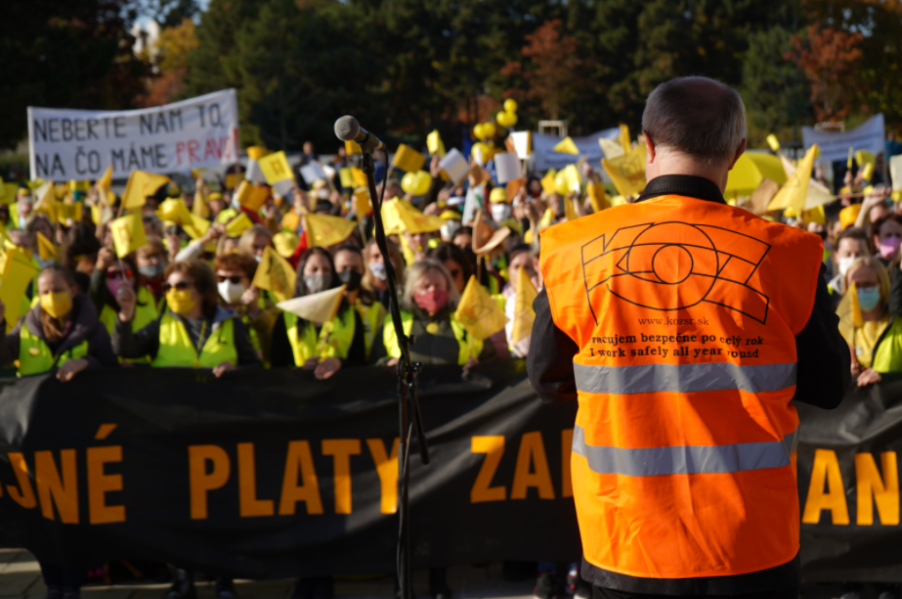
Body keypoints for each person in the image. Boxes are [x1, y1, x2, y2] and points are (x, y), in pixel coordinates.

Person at [528, 76, 849, 599]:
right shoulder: (789, 253)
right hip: (750, 545)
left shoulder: (571, 250)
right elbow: (830, 385)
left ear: (646, 145)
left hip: (626, 541)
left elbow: (547, 379)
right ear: (738, 152)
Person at [113, 259, 260, 376]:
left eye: (181, 285)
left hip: (220, 407)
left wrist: (236, 370)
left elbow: (254, 367)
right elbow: (125, 349)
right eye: (168, 287)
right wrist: (126, 313)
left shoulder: (232, 323)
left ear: (202, 289)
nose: (173, 292)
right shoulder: (161, 324)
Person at [370, 258, 495, 368]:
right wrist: (388, 364)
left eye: (438, 285)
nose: (433, 291)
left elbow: (491, 358)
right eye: (426, 286)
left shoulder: (467, 317)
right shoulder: (396, 320)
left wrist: (480, 367)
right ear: (413, 290)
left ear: (447, 287)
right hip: (410, 392)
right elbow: (374, 361)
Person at [0, 264, 118, 377]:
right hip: (34, 397)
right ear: (39, 295)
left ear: (73, 291)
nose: (51, 296)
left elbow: (112, 369)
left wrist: (87, 363)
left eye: (58, 291)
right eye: (45, 292)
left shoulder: (95, 328)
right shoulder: (25, 326)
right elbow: (2, 359)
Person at [841, 257, 902, 385]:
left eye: (868, 284)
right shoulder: (840, 326)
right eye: (855, 285)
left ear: (882, 285)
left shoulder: (898, 323)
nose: (861, 290)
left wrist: (887, 378)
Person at [90, 248, 160, 358]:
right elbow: (94, 291)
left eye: (127, 273)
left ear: (135, 277)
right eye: (112, 275)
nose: (120, 278)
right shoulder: (99, 307)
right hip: (110, 371)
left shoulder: (146, 296)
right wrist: (100, 268)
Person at [214, 252, 278, 366]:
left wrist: (255, 311)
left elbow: (274, 345)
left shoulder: (267, 305)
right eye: (221, 278)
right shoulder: (208, 307)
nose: (227, 284)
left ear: (250, 281)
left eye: (235, 279)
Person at [361, 237, 406, 309]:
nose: (382, 260)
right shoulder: (361, 292)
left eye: (388, 255)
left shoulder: (405, 290)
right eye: (376, 256)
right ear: (367, 259)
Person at [829, 227, 871, 297]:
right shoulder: (827, 293)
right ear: (836, 256)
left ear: (869, 255)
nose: (853, 259)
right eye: (847, 254)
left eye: (859, 254)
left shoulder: (880, 289)